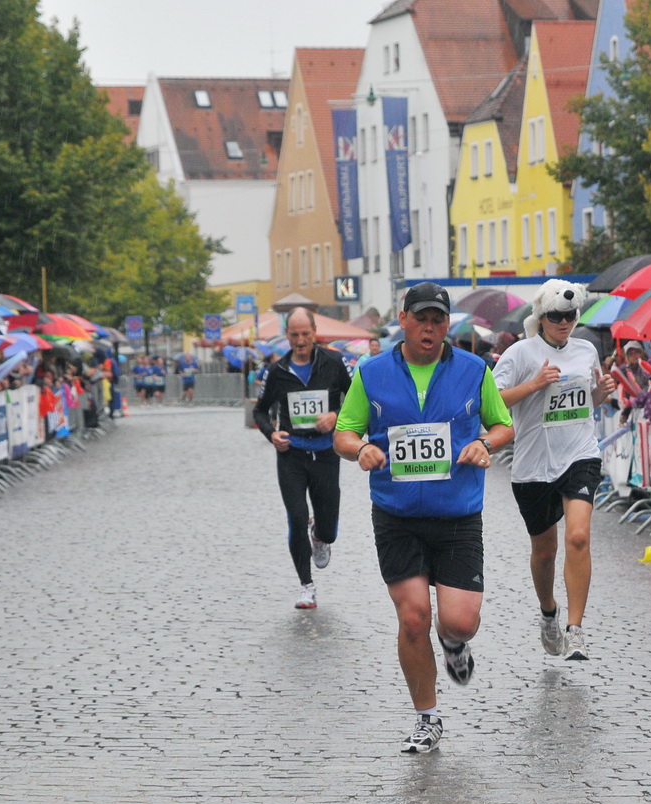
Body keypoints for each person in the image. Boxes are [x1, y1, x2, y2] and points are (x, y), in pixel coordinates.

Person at [333, 283, 514, 753]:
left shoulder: (474, 370)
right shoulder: (371, 373)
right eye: (422, 319)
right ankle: (427, 717)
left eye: (438, 320)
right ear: (404, 319)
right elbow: (344, 433)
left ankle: (454, 645)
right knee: (413, 618)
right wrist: (362, 449)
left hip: (456, 514)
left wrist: (485, 443)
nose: (430, 328)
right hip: (397, 514)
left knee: (460, 621)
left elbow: (502, 424)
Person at [493, 279, 608, 660]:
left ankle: (575, 630)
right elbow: (491, 402)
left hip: (580, 455)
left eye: (570, 315)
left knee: (578, 536)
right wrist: (534, 384)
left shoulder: (587, 350)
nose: (564, 322)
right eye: (556, 316)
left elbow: (583, 404)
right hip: (534, 465)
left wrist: (600, 395)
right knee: (545, 551)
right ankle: (549, 613)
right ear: (541, 318)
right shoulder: (521, 353)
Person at [253, 309, 353, 608]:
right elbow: (260, 410)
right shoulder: (278, 371)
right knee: (296, 518)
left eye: (305, 334)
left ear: (314, 332)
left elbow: (356, 399)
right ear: (287, 336)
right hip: (292, 454)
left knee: (328, 527)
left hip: (325, 453)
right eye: (294, 335)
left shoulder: (333, 362)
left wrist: (336, 416)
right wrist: (272, 434)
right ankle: (306, 586)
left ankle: (320, 536)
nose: (300, 341)